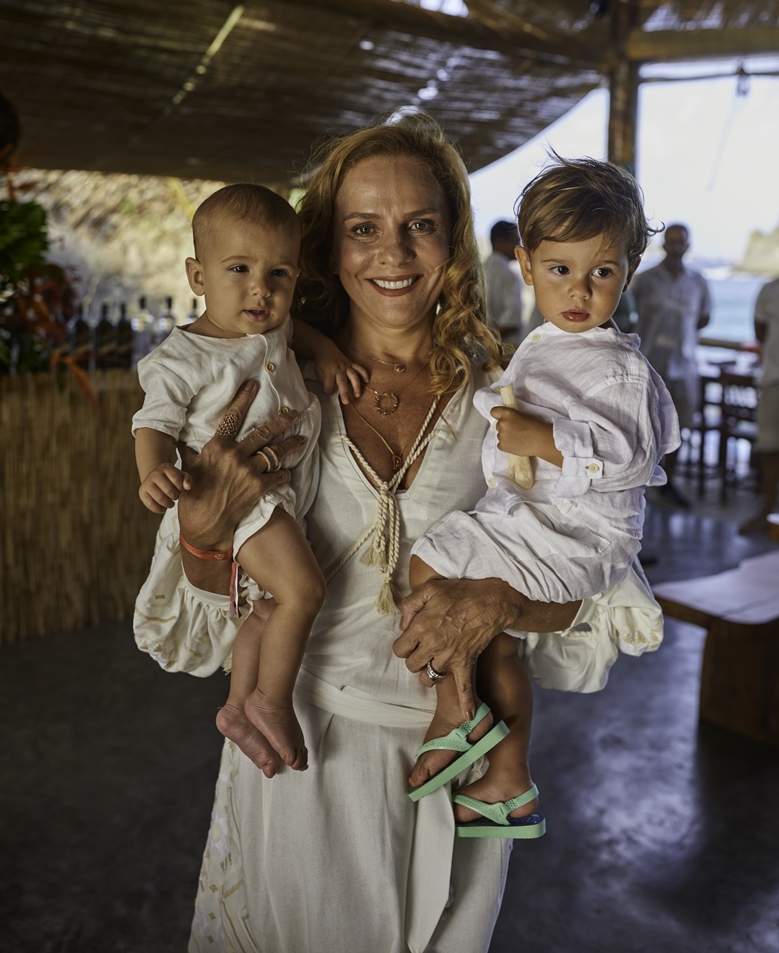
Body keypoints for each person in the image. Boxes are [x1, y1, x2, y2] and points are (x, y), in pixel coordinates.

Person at [133, 115, 665, 953]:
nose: (393, 252)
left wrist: (496, 600)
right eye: (362, 229)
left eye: (419, 225)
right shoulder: (274, 387)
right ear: (326, 248)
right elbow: (208, 609)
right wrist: (202, 532)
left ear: (452, 239)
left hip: (457, 758)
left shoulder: (513, 395)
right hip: (306, 748)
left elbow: (591, 596)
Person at [409, 158, 678, 837]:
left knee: (451, 583)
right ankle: (507, 779)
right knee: (443, 575)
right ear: (527, 267)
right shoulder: (545, 343)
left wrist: (545, 436)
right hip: (528, 520)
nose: (581, 291)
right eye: (561, 270)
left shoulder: (619, 366)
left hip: (580, 532)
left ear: (628, 269)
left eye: (602, 272)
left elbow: (630, 457)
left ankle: (458, 715)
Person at [132, 183, 365, 772]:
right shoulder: (182, 357)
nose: (261, 288)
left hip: (276, 493)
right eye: (239, 268)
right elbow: (152, 424)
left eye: (279, 274)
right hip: (234, 499)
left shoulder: (273, 329)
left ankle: (236, 706)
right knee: (303, 593)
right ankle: (271, 699)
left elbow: (298, 332)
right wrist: (155, 470)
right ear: (197, 275)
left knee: (267, 609)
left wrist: (329, 353)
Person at [630, 223, 711, 506]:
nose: (676, 247)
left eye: (681, 243)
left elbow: (703, 317)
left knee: (681, 427)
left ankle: (669, 482)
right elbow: (628, 315)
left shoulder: (698, 281)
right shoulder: (646, 280)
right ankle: (640, 481)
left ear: (687, 246)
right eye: (672, 242)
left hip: (686, 365)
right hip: (651, 364)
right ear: (664, 244)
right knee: (646, 425)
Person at [739, 275, 779, 535]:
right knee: (769, 447)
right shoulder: (769, 290)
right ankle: (767, 512)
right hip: (773, 377)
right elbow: (760, 331)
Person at [483, 219, 524, 344]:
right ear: (500, 242)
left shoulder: (478, 271)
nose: (519, 247)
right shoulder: (509, 275)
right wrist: (487, 341)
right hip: (502, 350)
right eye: (516, 241)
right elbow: (511, 322)